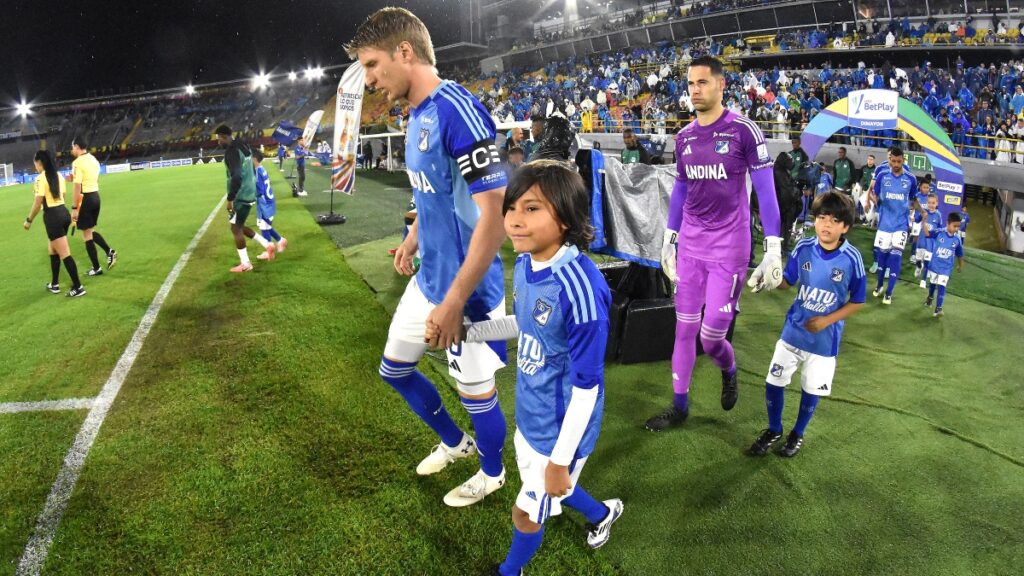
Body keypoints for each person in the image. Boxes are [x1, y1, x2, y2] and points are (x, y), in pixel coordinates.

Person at [346, 7, 511, 507]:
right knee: (394, 369)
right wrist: (413, 238)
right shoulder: (417, 112)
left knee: (476, 394)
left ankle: (492, 472)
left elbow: (495, 217)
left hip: (470, 293)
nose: (369, 79)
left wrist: (456, 301)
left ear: (405, 52)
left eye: (372, 65)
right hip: (430, 278)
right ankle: (455, 444)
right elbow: (435, 195)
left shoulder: (458, 110)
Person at [441, 161, 623, 576]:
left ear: (566, 217)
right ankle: (601, 515)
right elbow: (527, 328)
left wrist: (560, 458)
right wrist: (469, 331)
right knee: (556, 489)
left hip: (561, 432)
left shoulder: (580, 289)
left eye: (532, 209)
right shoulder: (526, 264)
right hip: (532, 415)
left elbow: (587, 386)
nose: (514, 221)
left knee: (526, 513)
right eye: (511, 208)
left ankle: (509, 572)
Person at [649, 56, 783, 431]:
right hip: (691, 246)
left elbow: (765, 191)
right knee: (684, 330)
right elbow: (680, 189)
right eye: (690, 83)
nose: (694, 90)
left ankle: (730, 368)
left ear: (721, 85)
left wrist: (774, 248)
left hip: (729, 250)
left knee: (711, 339)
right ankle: (679, 405)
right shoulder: (685, 136)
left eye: (702, 82)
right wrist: (669, 240)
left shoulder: (744, 131)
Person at [747, 192, 865, 458]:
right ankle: (774, 429)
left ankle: (797, 433)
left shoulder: (852, 259)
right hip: (793, 330)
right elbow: (788, 280)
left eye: (834, 220)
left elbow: (858, 301)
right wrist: (770, 281)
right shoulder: (803, 248)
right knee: (773, 382)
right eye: (822, 217)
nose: (826, 225)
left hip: (824, 341)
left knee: (810, 389)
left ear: (845, 227)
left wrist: (827, 320)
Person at [24, 150, 85, 298]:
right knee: (52, 250)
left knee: (64, 253)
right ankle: (55, 284)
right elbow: (62, 195)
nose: (36, 167)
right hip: (63, 213)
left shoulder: (40, 179)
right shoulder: (58, 176)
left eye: (36, 165)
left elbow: (38, 203)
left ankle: (78, 287)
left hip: (53, 217)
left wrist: (29, 220)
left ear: (40, 163)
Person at [215, 124, 276, 272]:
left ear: (224, 136)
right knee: (239, 225)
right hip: (250, 192)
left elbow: (236, 176)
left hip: (240, 196)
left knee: (236, 229)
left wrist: (230, 199)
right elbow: (250, 168)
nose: (218, 142)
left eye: (219, 139)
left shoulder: (231, 151)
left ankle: (246, 264)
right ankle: (267, 245)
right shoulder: (243, 144)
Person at [869, 147, 918, 305]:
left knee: (895, 257)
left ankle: (889, 293)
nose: (896, 164)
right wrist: (875, 201)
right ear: (889, 160)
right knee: (882, 257)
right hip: (884, 225)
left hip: (900, 225)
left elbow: (913, 199)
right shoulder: (882, 175)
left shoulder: (910, 179)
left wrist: (922, 211)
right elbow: (873, 193)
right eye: (893, 161)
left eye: (899, 161)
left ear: (903, 160)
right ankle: (879, 285)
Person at [70, 140, 117, 276]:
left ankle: (97, 268)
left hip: (85, 198)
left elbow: (77, 186)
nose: (71, 150)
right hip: (96, 196)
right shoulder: (93, 159)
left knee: (87, 235)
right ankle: (110, 252)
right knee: (90, 230)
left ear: (77, 147)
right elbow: (96, 179)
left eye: (72, 147)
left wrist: (74, 207)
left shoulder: (77, 163)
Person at [924, 212, 965, 318]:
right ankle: (930, 297)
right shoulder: (939, 232)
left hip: (946, 268)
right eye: (954, 226)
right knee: (932, 284)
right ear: (947, 223)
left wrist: (960, 265)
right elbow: (927, 234)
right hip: (935, 265)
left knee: (942, 286)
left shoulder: (957, 239)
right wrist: (924, 222)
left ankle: (938, 308)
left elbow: (960, 254)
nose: (956, 228)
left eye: (958, 226)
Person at [253, 150, 287, 259]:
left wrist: (251, 196)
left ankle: (269, 251)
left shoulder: (257, 172)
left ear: (254, 159)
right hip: (269, 201)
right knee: (266, 226)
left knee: (264, 227)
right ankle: (281, 240)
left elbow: (260, 191)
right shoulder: (261, 169)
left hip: (265, 204)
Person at [914, 191, 942, 287]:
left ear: (937, 203)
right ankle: (918, 266)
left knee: (927, 263)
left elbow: (939, 229)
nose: (931, 205)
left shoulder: (938, 215)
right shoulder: (924, 211)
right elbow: (917, 220)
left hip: (931, 244)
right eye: (929, 203)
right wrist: (916, 217)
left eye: (933, 203)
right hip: (921, 242)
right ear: (927, 203)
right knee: (918, 259)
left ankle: (923, 280)